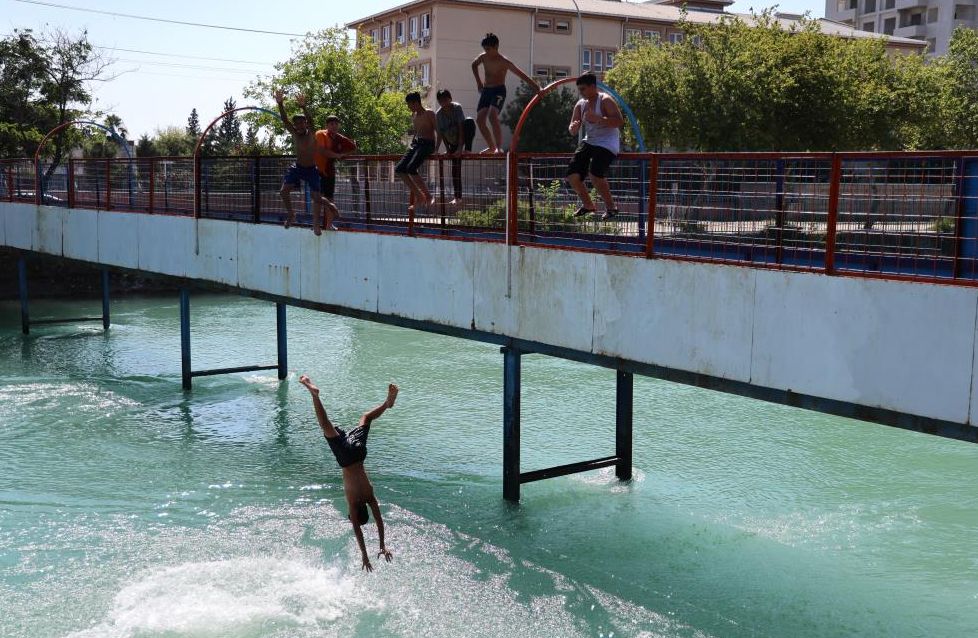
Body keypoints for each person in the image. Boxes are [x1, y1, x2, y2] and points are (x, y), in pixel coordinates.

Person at [299, 374, 398, 573]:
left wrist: (382, 544)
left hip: (359, 453)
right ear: (353, 515)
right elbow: (358, 531)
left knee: (366, 417)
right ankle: (315, 396)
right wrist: (364, 554)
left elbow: (379, 521)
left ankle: (387, 404)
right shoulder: (353, 503)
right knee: (324, 424)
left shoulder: (371, 497)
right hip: (346, 458)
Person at [471, 33, 541, 154]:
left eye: (488, 49)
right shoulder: (483, 57)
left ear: (496, 47)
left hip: (498, 91)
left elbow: (521, 74)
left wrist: (537, 87)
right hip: (486, 91)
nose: (486, 52)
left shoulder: (504, 62)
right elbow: (474, 65)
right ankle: (491, 147)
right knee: (480, 120)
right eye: (484, 49)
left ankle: (498, 147)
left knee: (492, 116)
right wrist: (478, 82)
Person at [566, 73, 624, 220]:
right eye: (579, 89)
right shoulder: (580, 104)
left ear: (593, 87)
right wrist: (573, 127)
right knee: (572, 175)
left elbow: (618, 121)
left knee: (595, 173)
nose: (581, 92)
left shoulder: (605, 100)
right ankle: (588, 205)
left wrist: (598, 119)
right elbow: (572, 128)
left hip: (607, 142)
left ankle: (611, 207)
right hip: (590, 141)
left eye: (583, 89)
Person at [275, 90, 325, 235]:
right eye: (296, 124)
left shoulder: (312, 132)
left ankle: (315, 224)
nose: (299, 126)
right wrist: (280, 104)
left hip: (311, 169)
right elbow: (285, 120)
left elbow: (311, 120)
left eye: (302, 123)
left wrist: (303, 107)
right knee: (283, 191)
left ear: (306, 124)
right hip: (298, 167)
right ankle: (291, 214)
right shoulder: (295, 133)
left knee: (316, 197)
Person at [395, 92, 437, 214]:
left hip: (428, 144)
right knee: (399, 169)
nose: (409, 107)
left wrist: (437, 147)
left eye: (409, 105)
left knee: (411, 168)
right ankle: (419, 195)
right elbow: (416, 133)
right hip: (416, 144)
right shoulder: (414, 116)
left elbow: (438, 131)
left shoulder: (429, 113)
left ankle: (428, 196)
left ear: (416, 103)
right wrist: (411, 147)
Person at [315, 115, 358, 230]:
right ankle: (316, 224)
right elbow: (322, 151)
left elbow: (354, 147)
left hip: (329, 171)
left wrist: (344, 155)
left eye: (336, 124)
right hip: (317, 170)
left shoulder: (339, 137)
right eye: (331, 124)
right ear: (327, 125)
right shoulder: (320, 134)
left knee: (329, 198)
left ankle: (329, 225)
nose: (334, 126)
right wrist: (338, 155)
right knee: (317, 198)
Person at [434, 89, 477, 206]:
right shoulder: (438, 114)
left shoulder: (457, 108)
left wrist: (460, 148)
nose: (444, 103)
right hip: (451, 141)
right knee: (455, 169)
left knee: (469, 121)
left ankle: (468, 148)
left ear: (450, 99)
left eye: (445, 100)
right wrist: (447, 149)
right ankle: (457, 197)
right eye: (441, 101)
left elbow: (461, 127)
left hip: (460, 139)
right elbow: (441, 134)